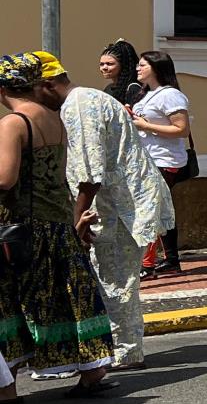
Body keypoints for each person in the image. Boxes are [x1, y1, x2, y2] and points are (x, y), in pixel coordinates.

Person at [25, 52, 171, 371]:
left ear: (47, 86)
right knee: (109, 278)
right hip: (114, 203)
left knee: (115, 280)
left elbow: (89, 174)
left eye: (32, 93)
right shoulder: (83, 100)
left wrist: (76, 221)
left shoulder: (80, 105)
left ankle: (126, 352)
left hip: (121, 206)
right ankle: (117, 349)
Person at [0, 54, 115, 398]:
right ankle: (92, 371)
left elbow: (5, 179)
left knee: (13, 302)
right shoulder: (53, 118)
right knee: (66, 297)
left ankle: (6, 388)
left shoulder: (13, 123)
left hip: (22, 229)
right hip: (57, 224)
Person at [130, 51, 192, 278]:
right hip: (146, 159)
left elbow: (181, 129)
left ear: (156, 68)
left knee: (149, 209)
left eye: (142, 65)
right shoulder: (146, 94)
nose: (137, 69)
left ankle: (146, 264)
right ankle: (171, 260)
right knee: (161, 209)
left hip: (163, 160)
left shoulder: (170, 95)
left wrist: (146, 126)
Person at [98, 40, 142, 105]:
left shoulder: (133, 89)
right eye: (102, 64)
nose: (104, 67)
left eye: (110, 64)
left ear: (123, 65)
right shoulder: (108, 88)